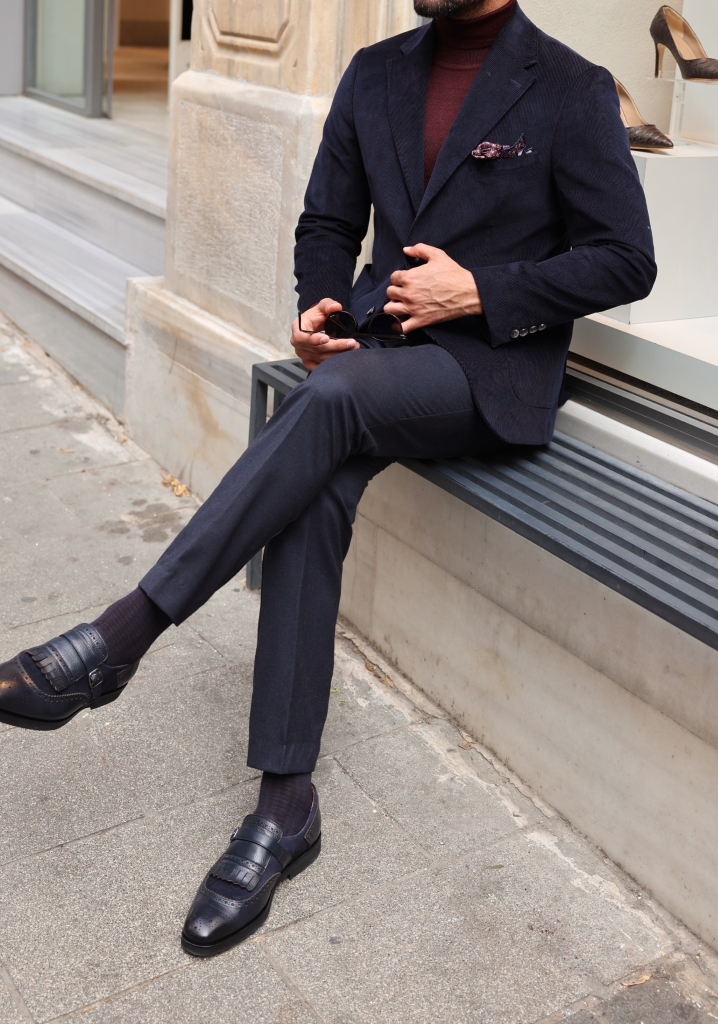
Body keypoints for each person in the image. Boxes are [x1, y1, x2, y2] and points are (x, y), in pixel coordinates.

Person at [0, 0, 655, 957]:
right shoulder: (376, 71)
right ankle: (285, 802)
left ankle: (122, 635)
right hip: (371, 359)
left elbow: (626, 257)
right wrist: (319, 302)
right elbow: (327, 221)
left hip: (486, 374)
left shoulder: (570, 88)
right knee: (319, 478)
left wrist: (482, 289)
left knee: (335, 403)